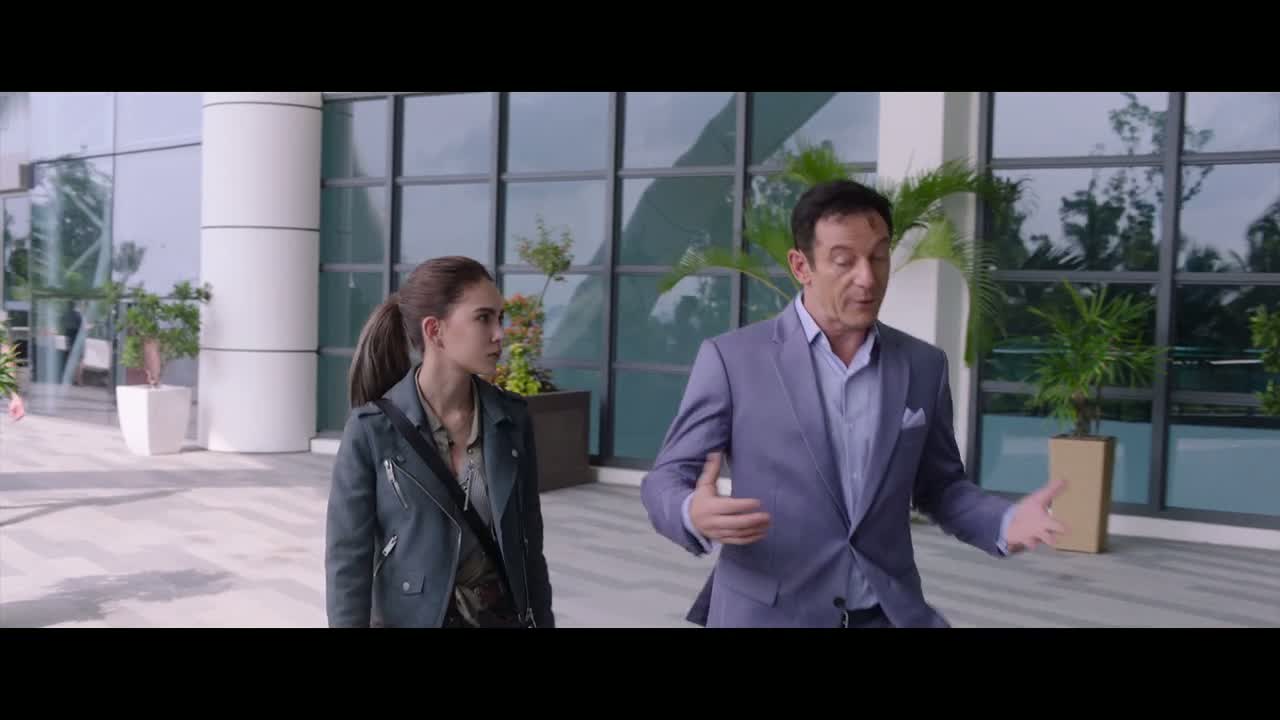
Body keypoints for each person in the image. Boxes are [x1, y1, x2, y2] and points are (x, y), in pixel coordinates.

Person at [641, 179, 1066, 628]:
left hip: (884, 614)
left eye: (878, 257)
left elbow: (940, 486)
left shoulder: (923, 365)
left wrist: (1004, 521)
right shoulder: (732, 360)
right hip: (769, 615)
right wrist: (691, 512)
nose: (867, 278)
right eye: (844, 261)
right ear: (801, 266)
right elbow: (666, 478)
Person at [325, 256, 554, 628]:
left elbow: (530, 547)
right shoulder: (371, 430)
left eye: (500, 318)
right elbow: (348, 561)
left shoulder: (511, 420)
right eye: (484, 318)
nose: (500, 334)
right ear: (435, 331)